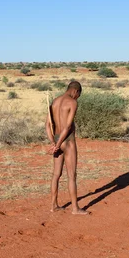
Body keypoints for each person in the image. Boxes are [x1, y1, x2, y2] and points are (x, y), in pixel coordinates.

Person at [45, 81, 88, 215]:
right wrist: (57, 145)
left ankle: (54, 205)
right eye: (78, 95)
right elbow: (68, 127)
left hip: (57, 138)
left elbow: (47, 125)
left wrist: (53, 142)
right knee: (71, 175)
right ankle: (75, 209)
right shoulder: (72, 103)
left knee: (56, 174)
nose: (77, 98)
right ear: (76, 91)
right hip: (68, 142)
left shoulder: (55, 102)